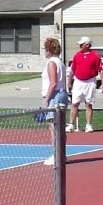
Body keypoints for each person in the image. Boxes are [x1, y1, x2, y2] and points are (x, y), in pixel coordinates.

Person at [66, 36, 103, 133]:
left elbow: (100, 70)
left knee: (88, 104)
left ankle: (88, 125)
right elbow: (72, 70)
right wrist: (69, 82)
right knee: (75, 103)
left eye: (82, 44)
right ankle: (71, 124)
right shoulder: (77, 55)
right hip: (78, 82)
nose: (80, 46)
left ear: (87, 45)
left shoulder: (95, 56)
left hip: (90, 82)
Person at [41, 37, 69, 165]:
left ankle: (57, 155)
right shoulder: (60, 62)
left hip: (55, 96)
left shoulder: (52, 62)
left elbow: (53, 83)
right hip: (62, 94)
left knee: (54, 127)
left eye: (46, 49)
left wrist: (46, 99)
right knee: (60, 127)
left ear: (49, 50)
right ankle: (62, 155)